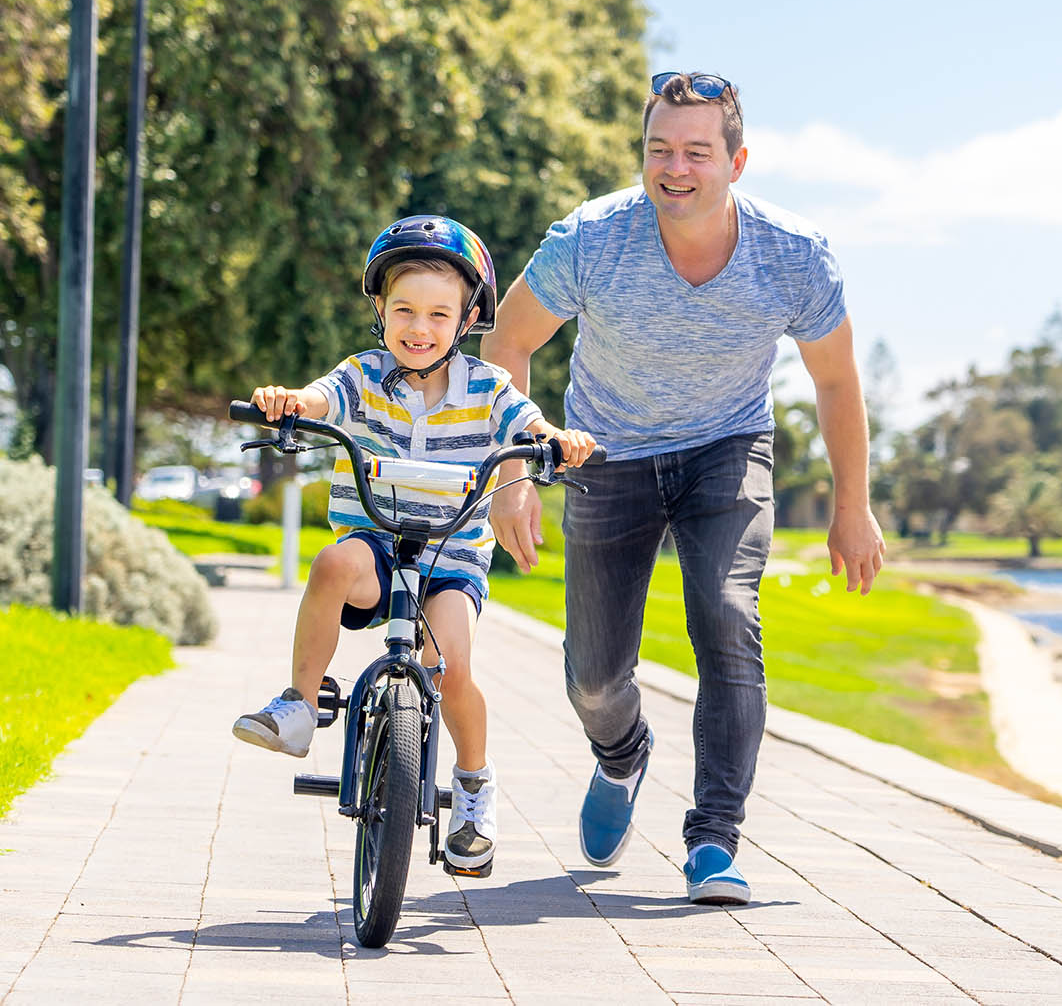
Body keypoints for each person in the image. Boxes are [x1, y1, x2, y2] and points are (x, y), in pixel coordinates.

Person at [482, 71, 884, 905]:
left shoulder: (792, 254)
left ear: (737, 160)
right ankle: (622, 754)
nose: (675, 168)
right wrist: (514, 476)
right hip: (604, 454)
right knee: (594, 675)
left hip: (725, 449)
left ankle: (714, 839)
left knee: (728, 616)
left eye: (697, 151)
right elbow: (508, 344)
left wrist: (853, 506)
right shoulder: (590, 238)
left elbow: (838, 383)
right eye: (659, 149)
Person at [231, 215, 597, 877]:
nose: (419, 327)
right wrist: (291, 402)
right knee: (333, 562)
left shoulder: (486, 388)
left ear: (466, 319)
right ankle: (298, 704)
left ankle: (476, 789)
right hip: (376, 546)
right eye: (404, 309)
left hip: (450, 562)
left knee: (449, 664)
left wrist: (555, 437)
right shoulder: (362, 375)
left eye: (438, 313)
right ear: (380, 308)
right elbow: (321, 398)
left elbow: (527, 419)